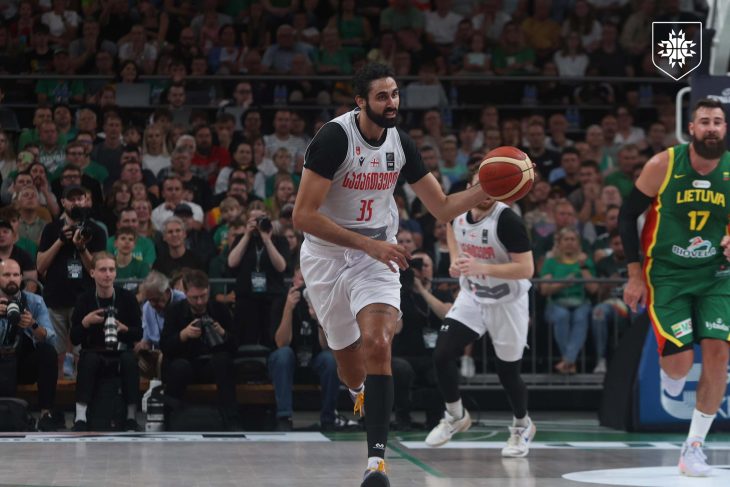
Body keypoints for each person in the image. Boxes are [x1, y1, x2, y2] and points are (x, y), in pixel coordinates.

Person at [292, 63, 489, 486]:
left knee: (379, 344)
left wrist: (487, 189)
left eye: (395, 94)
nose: (392, 102)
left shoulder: (400, 142)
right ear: (360, 101)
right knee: (350, 368)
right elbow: (303, 216)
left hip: (378, 257)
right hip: (327, 257)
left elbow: (442, 207)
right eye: (382, 96)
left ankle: (376, 463)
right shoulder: (334, 139)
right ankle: (360, 392)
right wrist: (368, 244)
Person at [620, 98, 730, 477]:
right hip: (666, 274)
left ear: (725, 129)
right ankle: (671, 375)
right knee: (680, 366)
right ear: (692, 128)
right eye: (705, 121)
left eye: (718, 121)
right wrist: (634, 274)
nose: (712, 127)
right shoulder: (663, 165)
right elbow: (627, 215)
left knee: (718, 352)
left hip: (717, 274)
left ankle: (693, 447)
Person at [424, 170, 535, 456]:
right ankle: (455, 415)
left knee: (508, 372)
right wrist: (455, 259)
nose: (486, 193)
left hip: (507, 301)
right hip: (473, 296)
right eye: (481, 186)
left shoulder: (508, 220)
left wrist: (481, 267)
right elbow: (451, 227)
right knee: (442, 354)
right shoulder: (457, 210)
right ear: (470, 187)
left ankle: (522, 425)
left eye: (493, 188)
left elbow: (526, 268)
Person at [159, 270, 241, 430]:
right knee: (179, 367)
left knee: (223, 360)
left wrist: (223, 334)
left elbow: (235, 347)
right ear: (185, 293)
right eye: (194, 297)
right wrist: (183, 335)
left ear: (208, 290)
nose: (199, 302)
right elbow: (165, 347)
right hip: (186, 364)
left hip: (211, 365)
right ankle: (168, 421)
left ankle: (232, 420)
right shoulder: (175, 311)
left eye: (203, 296)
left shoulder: (220, 310)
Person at [69, 252, 142, 432]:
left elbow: (138, 333)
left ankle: (131, 417)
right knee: (88, 360)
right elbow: (74, 338)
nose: (108, 274)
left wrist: (124, 329)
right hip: (93, 350)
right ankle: (80, 417)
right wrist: (85, 323)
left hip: (121, 350)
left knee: (130, 361)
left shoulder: (127, 297)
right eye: (102, 270)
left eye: (111, 269)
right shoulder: (84, 299)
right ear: (92, 273)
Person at [268, 268, 340, 431]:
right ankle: (284, 417)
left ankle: (328, 418)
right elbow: (281, 343)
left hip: (314, 359)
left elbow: (326, 346)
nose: (305, 284)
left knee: (330, 359)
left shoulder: (323, 301)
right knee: (283, 354)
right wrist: (288, 309)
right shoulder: (281, 301)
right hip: (288, 362)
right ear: (294, 279)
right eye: (302, 279)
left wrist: (319, 319)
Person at [0, 259, 59, 431]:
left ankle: (46, 414)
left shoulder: (35, 301)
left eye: (16, 275)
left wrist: (33, 325)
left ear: (21, 278)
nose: (12, 279)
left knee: (47, 352)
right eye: (6, 275)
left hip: (21, 363)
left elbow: (51, 339)